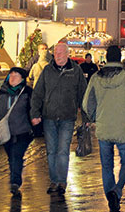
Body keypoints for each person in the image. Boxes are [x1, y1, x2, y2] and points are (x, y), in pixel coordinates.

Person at [83, 45, 125, 212]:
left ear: (107, 57)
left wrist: (96, 117)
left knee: (106, 165)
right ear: (119, 57)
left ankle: (110, 196)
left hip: (104, 127)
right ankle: (117, 191)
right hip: (123, 127)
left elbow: (87, 103)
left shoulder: (96, 77)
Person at [30, 42, 87, 195]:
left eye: (61, 53)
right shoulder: (47, 70)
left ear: (68, 54)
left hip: (67, 117)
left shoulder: (75, 71)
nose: (58, 56)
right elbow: (38, 93)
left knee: (62, 150)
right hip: (49, 116)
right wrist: (35, 113)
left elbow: (83, 93)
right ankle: (54, 180)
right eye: (56, 53)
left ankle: (61, 181)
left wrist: (86, 115)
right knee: (51, 151)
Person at [0, 67, 33, 197]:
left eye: (16, 75)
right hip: (6, 132)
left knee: (16, 155)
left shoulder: (27, 92)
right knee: (11, 157)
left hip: (22, 131)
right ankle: (15, 176)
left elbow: (33, 108)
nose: (13, 77)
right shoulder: (2, 91)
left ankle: (15, 182)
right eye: (11, 75)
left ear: (22, 78)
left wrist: (34, 124)